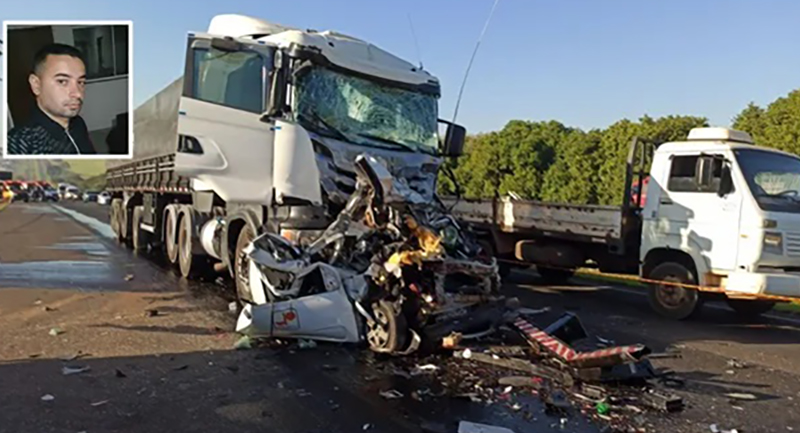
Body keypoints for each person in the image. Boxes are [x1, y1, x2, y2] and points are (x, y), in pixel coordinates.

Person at [7, 43, 96, 155]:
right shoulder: (18, 144)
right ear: (36, 85)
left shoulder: (78, 123)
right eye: (62, 81)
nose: (78, 94)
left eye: (81, 82)